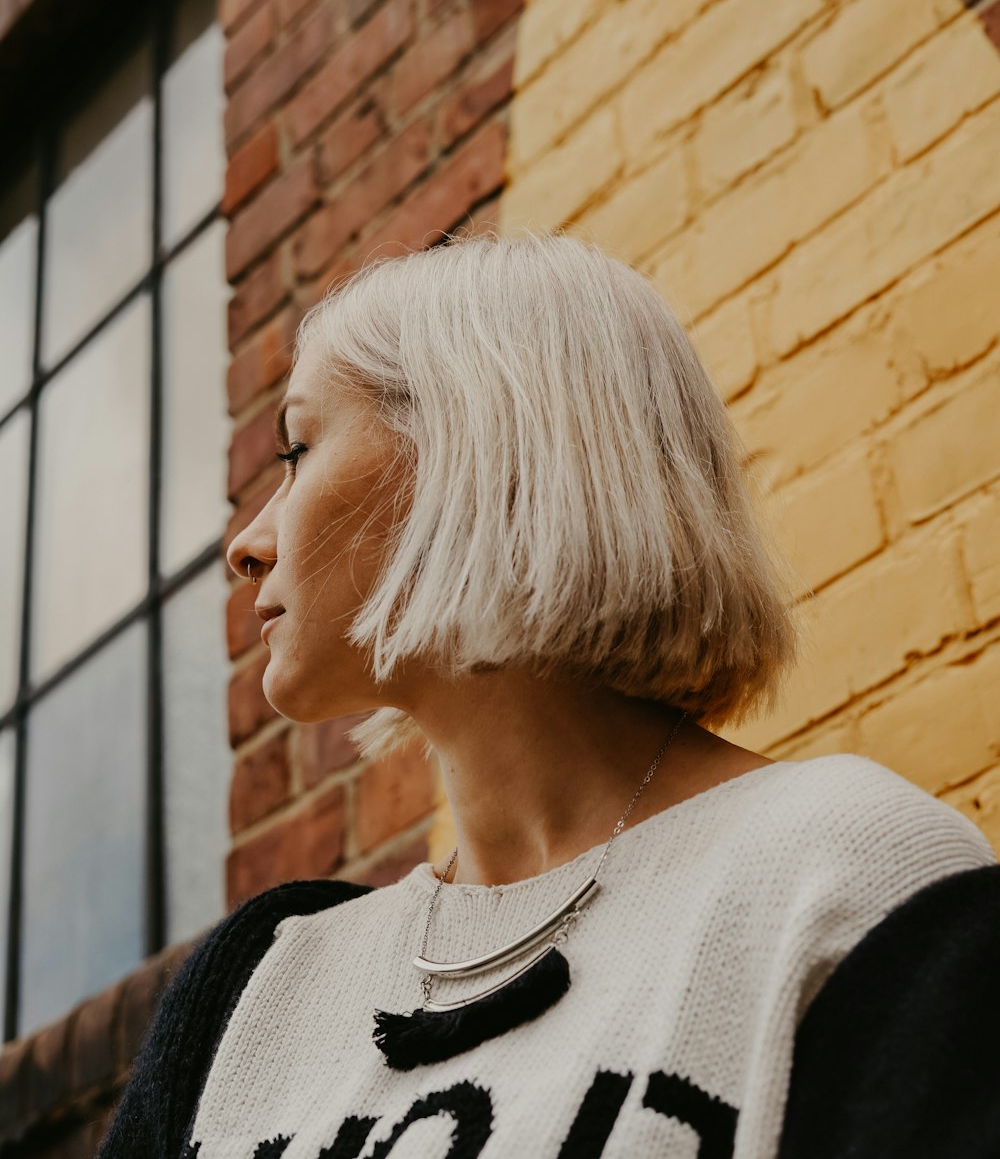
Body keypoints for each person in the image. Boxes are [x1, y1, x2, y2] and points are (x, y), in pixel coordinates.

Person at [96, 230, 997, 1159]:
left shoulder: (843, 878)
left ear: (474, 449)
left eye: (297, 450)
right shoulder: (256, 989)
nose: (247, 543)